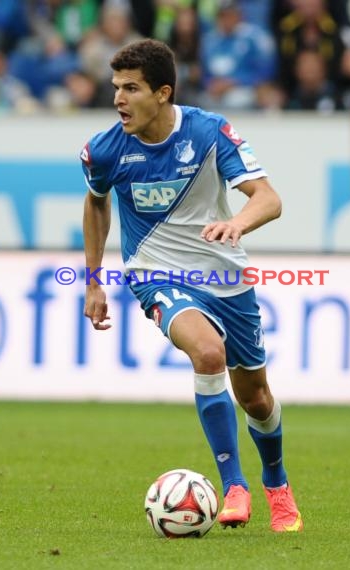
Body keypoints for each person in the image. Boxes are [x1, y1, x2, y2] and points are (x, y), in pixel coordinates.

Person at [81, 38, 303, 533]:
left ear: (162, 93)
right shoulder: (104, 150)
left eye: (131, 88)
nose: (118, 98)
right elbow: (95, 202)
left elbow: (267, 198)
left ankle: (277, 482)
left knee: (258, 398)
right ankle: (235, 486)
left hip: (224, 274)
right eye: (115, 87)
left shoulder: (208, 132)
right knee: (207, 354)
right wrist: (94, 281)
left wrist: (238, 225)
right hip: (154, 272)